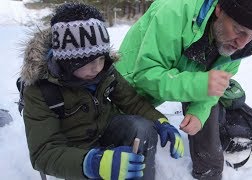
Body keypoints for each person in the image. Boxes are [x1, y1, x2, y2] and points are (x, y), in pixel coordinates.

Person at [115, 0, 252, 179]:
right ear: (219, 9)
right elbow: (145, 75)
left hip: (180, 76)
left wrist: (198, 111)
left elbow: (217, 84)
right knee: (137, 135)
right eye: (239, 31)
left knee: (211, 95)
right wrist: (200, 84)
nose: (242, 44)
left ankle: (209, 171)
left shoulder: (236, 43)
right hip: (124, 90)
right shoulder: (173, 13)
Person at [20, 3, 184, 180]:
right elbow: (43, 153)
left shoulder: (105, 71)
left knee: (142, 127)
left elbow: (132, 102)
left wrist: (160, 121)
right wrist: (92, 163)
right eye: (88, 61)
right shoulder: (40, 90)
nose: (97, 67)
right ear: (67, 62)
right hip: (74, 151)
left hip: (105, 129)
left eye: (100, 57)